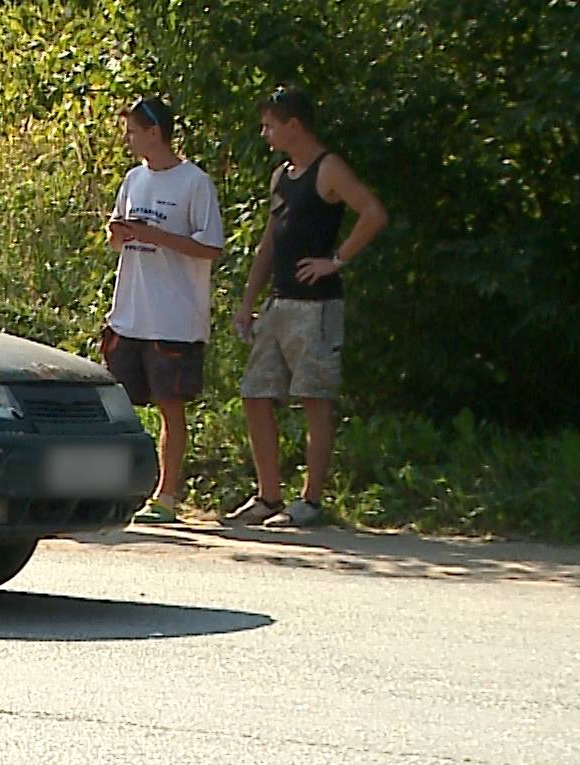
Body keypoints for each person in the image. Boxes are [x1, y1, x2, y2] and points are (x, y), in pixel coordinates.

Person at [226, 86, 389, 527]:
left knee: (313, 398)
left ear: (293, 125)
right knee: (255, 395)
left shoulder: (328, 168)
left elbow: (373, 212)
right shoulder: (281, 175)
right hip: (278, 304)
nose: (265, 134)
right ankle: (268, 496)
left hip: (315, 308)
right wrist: (248, 301)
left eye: (270, 125)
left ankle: (311, 501)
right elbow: (269, 240)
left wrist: (335, 261)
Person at [101, 96, 224, 524]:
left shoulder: (194, 183)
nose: (128, 138)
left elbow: (211, 246)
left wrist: (159, 235)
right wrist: (118, 233)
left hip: (174, 316)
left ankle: (167, 495)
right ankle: (118, 489)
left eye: (133, 131)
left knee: (171, 404)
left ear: (155, 132)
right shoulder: (134, 179)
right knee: (117, 405)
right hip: (130, 310)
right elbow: (119, 236)